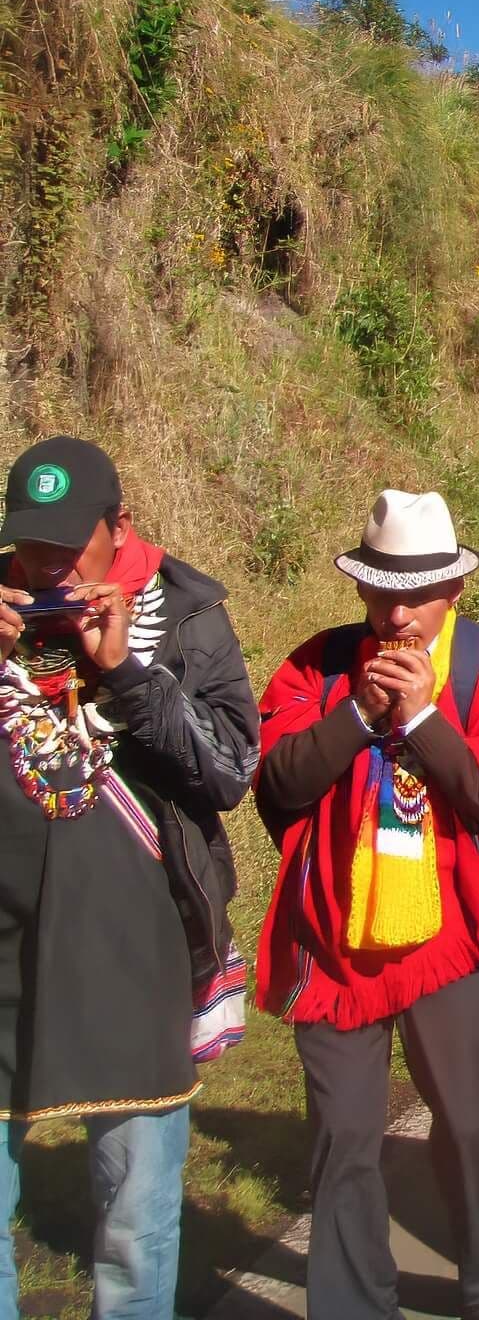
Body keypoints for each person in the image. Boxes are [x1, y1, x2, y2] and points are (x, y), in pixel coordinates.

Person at [254, 489, 479, 1320]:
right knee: (343, 1136)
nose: (398, 613)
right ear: (360, 587)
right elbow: (278, 783)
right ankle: (354, 1303)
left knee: (466, 1119)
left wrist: (421, 717)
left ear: (455, 590)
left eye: (418, 593)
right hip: (334, 940)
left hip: (450, 938)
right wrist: (359, 711)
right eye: (382, 591)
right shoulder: (317, 664)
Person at [0, 436, 259, 1318]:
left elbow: (229, 771)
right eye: (30, 543)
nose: (46, 563)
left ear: (121, 527)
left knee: (135, 1213)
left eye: (67, 543)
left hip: (136, 945)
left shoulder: (184, 612)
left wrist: (126, 673)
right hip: (5, 941)